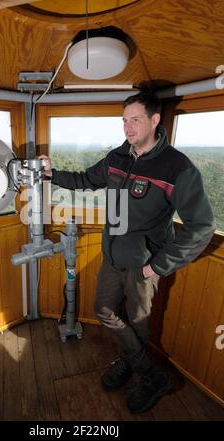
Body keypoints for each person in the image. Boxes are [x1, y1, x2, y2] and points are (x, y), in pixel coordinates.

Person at [38, 92, 215, 414]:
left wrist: (158, 266)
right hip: (113, 254)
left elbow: (201, 225)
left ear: (154, 120)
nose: (128, 127)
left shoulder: (177, 167)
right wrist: (51, 174)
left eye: (135, 119)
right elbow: (85, 180)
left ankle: (141, 375)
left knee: (139, 323)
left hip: (145, 263)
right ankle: (148, 371)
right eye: (124, 120)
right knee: (104, 308)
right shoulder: (118, 157)